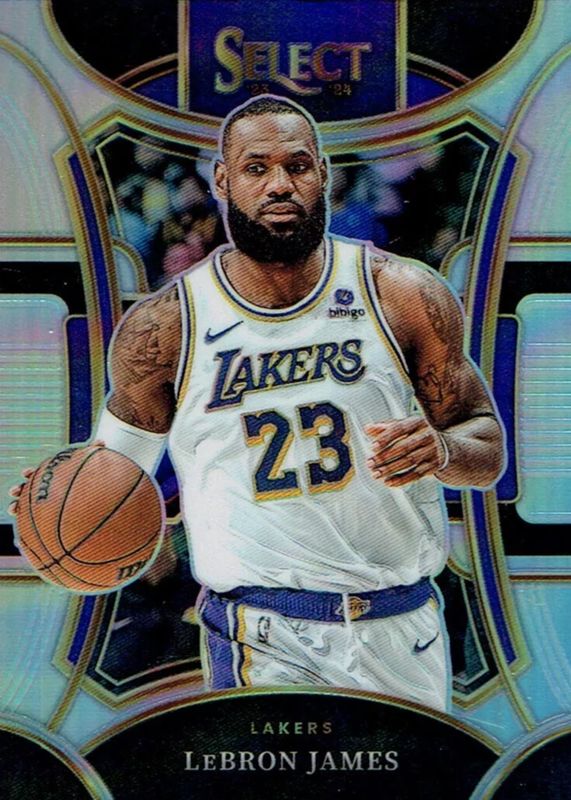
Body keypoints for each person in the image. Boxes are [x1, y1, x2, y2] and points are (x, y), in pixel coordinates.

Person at [10, 96, 505, 712]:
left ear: (322, 174)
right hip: (260, 632)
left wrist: (443, 449)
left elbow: (485, 444)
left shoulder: (402, 294)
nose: (279, 184)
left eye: (297, 166)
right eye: (256, 168)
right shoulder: (165, 327)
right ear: (222, 181)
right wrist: (56, 498)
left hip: (402, 626)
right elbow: (112, 474)